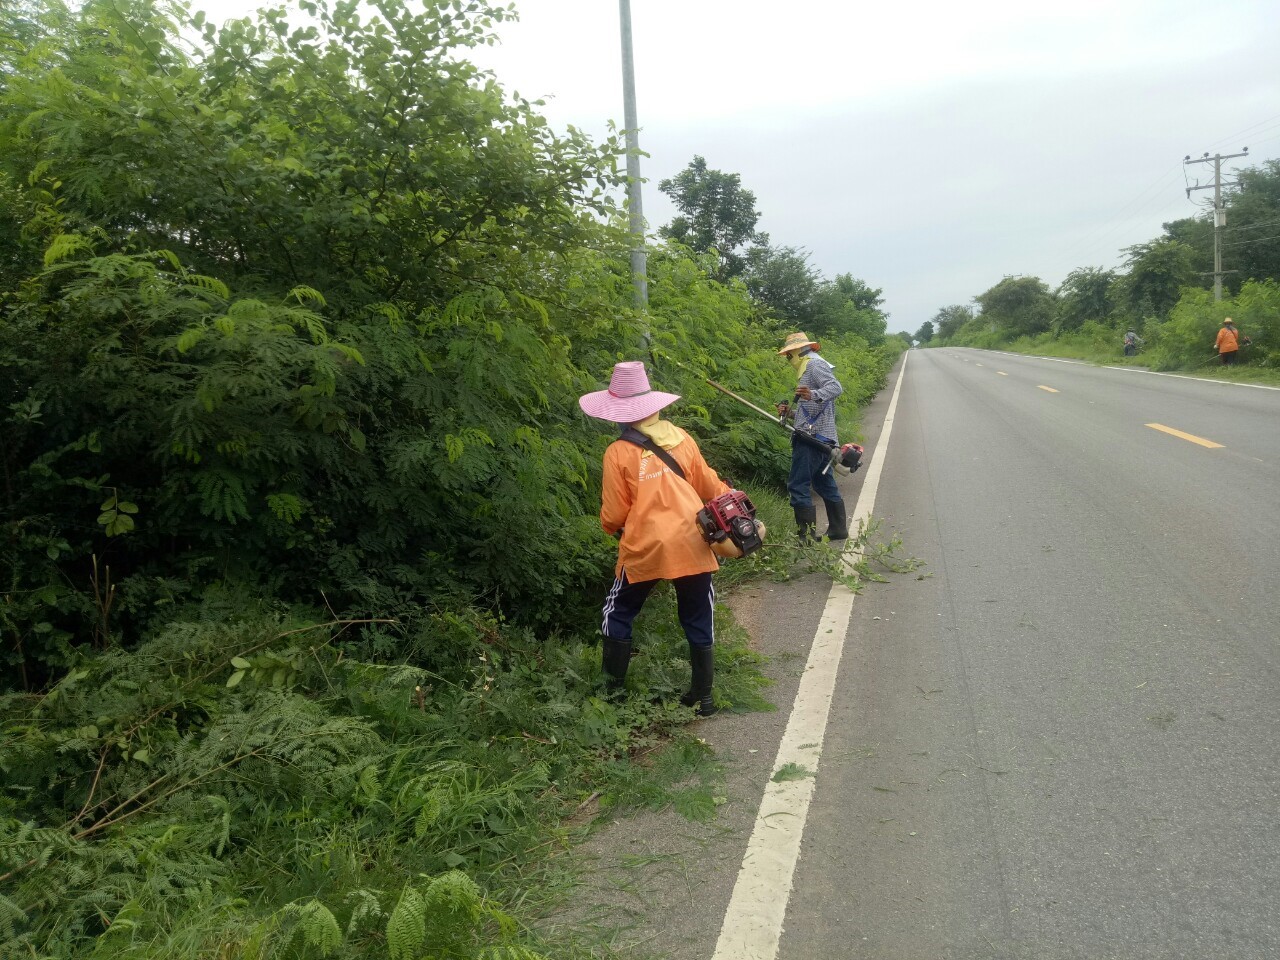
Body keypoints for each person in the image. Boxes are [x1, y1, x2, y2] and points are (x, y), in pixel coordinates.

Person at [579, 361, 731, 716]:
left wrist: (610, 527)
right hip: (693, 539)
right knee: (698, 613)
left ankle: (612, 695)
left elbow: (614, 514)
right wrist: (736, 504)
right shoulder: (682, 439)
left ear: (619, 412)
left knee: (618, 610)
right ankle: (703, 697)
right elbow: (710, 486)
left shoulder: (618, 452)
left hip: (645, 546)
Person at [776, 332, 847, 541]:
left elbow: (836, 388)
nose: (788, 358)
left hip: (811, 439)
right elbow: (812, 410)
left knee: (798, 485)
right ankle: (838, 529)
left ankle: (805, 537)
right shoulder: (809, 367)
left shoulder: (814, 365)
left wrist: (813, 394)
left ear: (798, 351)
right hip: (821, 437)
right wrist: (789, 413)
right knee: (824, 484)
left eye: (789, 354)